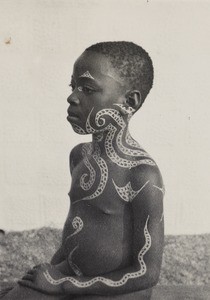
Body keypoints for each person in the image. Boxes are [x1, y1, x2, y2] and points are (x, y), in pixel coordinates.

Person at [1, 41, 164, 300]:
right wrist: (51, 273)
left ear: (130, 101)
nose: (72, 96)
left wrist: (63, 285)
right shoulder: (80, 156)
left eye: (87, 89)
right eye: (73, 86)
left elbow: (146, 272)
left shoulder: (142, 175)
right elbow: (76, 233)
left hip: (118, 291)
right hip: (73, 274)